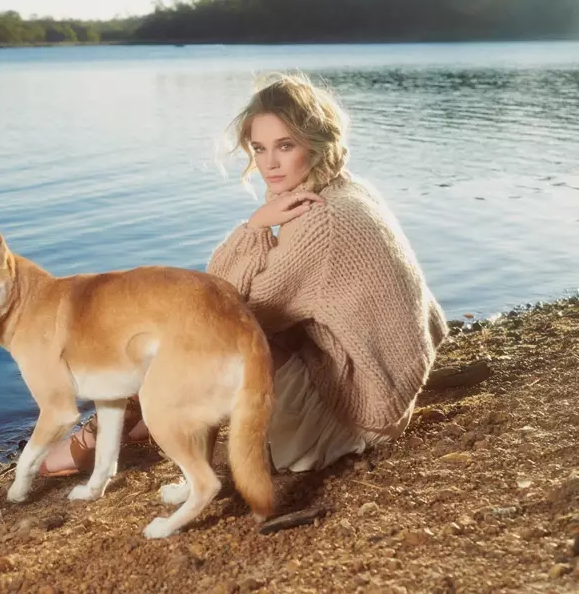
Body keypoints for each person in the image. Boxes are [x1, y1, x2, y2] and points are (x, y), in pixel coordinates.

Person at [39, 71, 448, 477]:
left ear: (317, 143)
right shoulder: (348, 189)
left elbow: (221, 304)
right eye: (259, 148)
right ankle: (136, 417)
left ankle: (105, 433)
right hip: (383, 394)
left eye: (285, 146)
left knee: (198, 329)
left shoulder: (320, 222)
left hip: (353, 420)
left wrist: (252, 228)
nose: (269, 163)